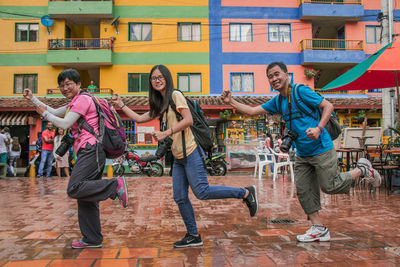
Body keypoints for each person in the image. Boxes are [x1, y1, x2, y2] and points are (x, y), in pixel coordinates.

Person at [221, 61, 381, 243]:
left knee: (330, 185)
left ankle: (362, 169)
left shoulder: (300, 92)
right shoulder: (278, 101)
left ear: (286, 75)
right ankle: (319, 228)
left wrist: (319, 128)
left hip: (321, 148)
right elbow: (251, 110)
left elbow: (328, 106)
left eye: (276, 74)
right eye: (270, 77)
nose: (274, 79)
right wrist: (231, 101)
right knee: (304, 191)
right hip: (302, 153)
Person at [111, 64, 258, 248]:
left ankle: (245, 192)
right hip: (178, 157)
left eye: (160, 77)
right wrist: (121, 104)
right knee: (180, 197)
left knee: (202, 192)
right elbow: (140, 118)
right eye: (153, 78)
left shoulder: (175, 95)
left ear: (167, 78)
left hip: (191, 151)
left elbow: (188, 120)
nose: (157, 80)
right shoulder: (161, 103)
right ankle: (193, 235)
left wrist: (166, 133)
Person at [23, 68, 128, 249]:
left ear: (79, 84)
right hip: (90, 150)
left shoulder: (83, 99)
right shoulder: (76, 102)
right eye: (61, 85)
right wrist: (33, 99)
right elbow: (54, 111)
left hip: (91, 148)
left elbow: (64, 123)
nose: (65, 88)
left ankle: (114, 185)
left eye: (69, 84)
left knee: (74, 188)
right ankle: (92, 238)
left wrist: (43, 114)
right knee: (86, 197)